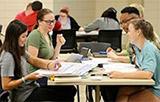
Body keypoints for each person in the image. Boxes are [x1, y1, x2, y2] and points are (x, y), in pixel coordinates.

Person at [0, 19, 75, 102]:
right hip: (24, 96)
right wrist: (26, 78)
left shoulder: (19, 49)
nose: (26, 39)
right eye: (23, 37)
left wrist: (50, 64)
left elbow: (33, 59)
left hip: (32, 88)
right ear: (14, 38)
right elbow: (6, 85)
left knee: (70, 89)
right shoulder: (8, 56)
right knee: (67, 92)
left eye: (26, 36)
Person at [26, 8, 76, 101]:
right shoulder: (35, 35)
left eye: (53, 21)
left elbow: (52, 58)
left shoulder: (47, 34)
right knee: (69, 90)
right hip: (37, 76)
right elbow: (32, 61)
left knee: (70, 88)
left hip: (47, 72)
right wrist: (49, 65)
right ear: (39, 22)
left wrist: (59, 45)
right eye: (48, 22)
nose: (51, 24)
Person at [109, 19, 160, 102]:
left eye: (129, 31)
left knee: (129, 99)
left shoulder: (149, 48)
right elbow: (134, 60)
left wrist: (121, 75)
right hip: (149, 85)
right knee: (122, 91)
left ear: (138, 32)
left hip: (156, 89)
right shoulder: (138, 48)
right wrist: (116, 57)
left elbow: (147, 74)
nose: (127, 34)